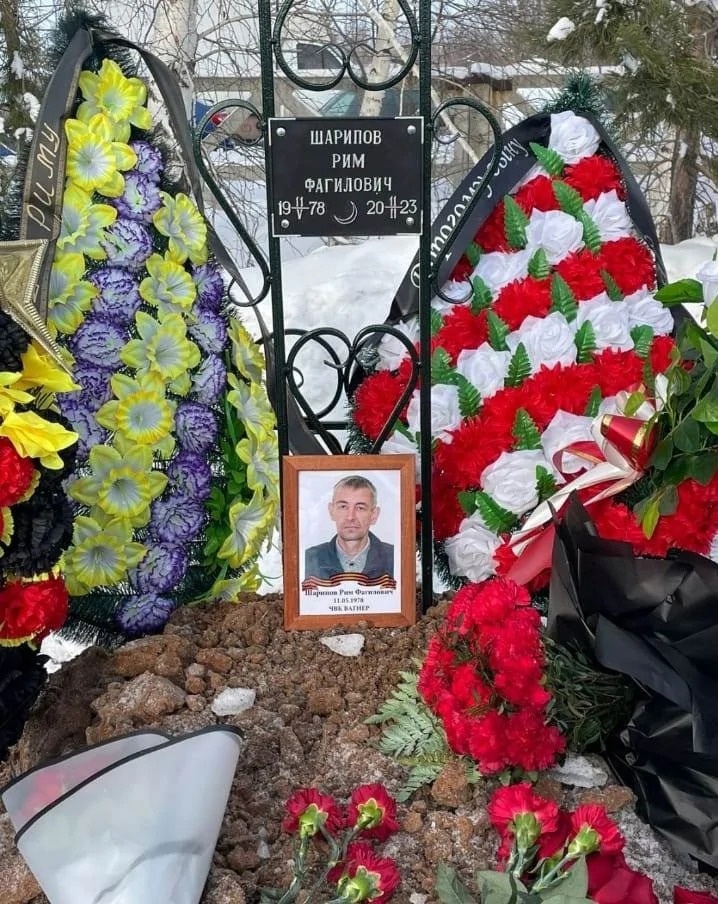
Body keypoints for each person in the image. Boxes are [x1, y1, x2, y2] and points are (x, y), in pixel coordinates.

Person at [304, 475, 394, 581]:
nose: (350, 517)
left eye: (360, 508)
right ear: (331, 511)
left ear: (374, 515)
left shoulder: (396, 558)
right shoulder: (308, 560)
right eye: (343, 507)